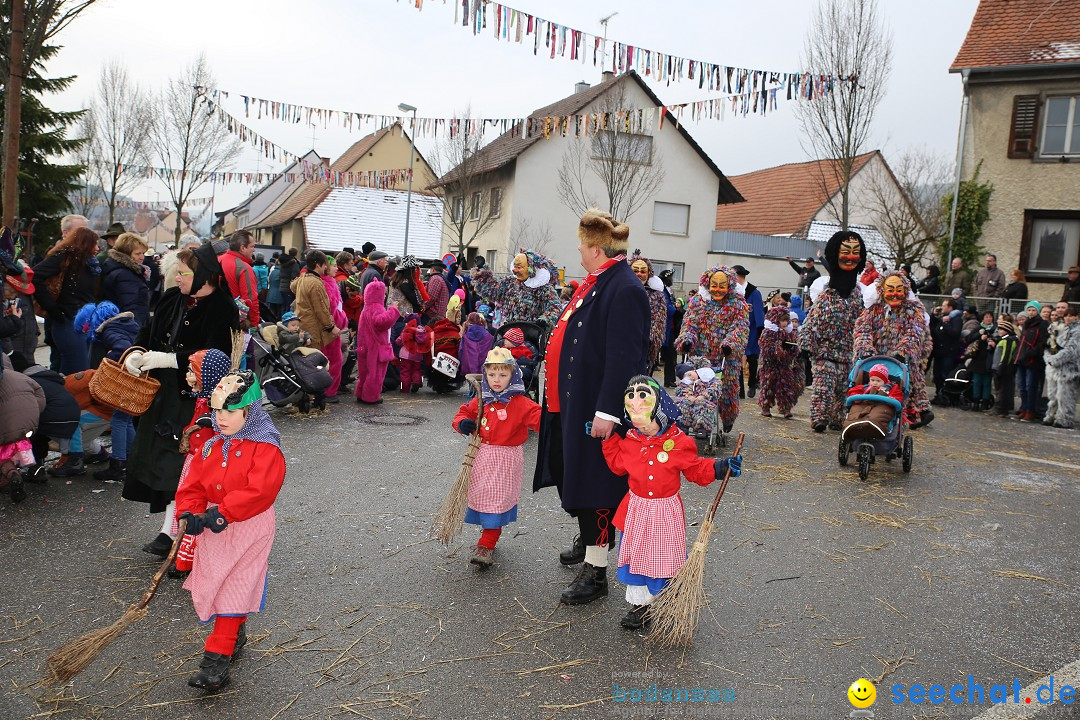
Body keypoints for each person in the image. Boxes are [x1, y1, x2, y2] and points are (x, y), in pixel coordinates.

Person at [532, 209, 650, 606]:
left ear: (597, 249)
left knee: (596, 485)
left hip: (593, 410)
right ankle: (588, 541)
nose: (579, 252)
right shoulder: (599, 281)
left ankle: (596, 570)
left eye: (582, 246)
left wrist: (607, 412)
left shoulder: (625, 289)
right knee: (573, 476)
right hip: (569, 402)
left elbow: (625, 358)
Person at [122, 243, 239, 557]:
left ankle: (177, 532)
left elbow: (219, 355)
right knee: (163, 464)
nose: (179, 280)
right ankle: (170, 529)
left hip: (196, 397)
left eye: (185, 274)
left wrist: (169, 359)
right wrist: (135, 353)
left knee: (186, 464)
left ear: (205, 275)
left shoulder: (222, 307)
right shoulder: (173, 297)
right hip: (162, 395)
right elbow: (148, 331)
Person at [602, 375, 740, 630]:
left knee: (664, 558)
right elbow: (618, 466)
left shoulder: (678, 443)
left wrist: (720, 467)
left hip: (665, 512)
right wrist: (607, 440)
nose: (642, 428)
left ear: (661, 413)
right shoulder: (631, 442)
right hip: (637, 511)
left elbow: (695, 469)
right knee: (639, 557)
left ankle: (668, 602)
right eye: (636, 422)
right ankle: (641, 607)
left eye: (648, 422)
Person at [176, 372, 285, 691]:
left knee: (234, 589)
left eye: (230, 412)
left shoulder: (265, 447)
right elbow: (193, 484)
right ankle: (235, 633)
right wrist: (192, 511)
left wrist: (222, 513)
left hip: (249, 527)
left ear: (249, 412)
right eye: (217, 410)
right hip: (214, 528)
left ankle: (215, 664)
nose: (221, 418)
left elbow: (261, 491)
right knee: (217, 583)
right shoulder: (210, 447)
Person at [451, 347, 542, 568]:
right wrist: (462, 424)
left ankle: (486, 543)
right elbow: (463, 413)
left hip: (505, 460)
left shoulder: (520, 403)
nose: (496, 380)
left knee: (496, 501)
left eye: (503, 375)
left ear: (513, 374)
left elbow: (543, 421)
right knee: (484, 497)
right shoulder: (482, 399)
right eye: (491, 375)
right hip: (482, 456)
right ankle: (489, 533)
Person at [799, 231, 868, 432]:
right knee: (823, 388)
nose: (850, 257)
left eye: (856, 252)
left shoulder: (860, 298)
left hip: (849, 355)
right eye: (845, 251)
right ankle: (820, 418)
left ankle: (838, 419)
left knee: (844, 391)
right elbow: (813, 322)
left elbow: (865, 326)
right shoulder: (826, 296)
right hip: (825, 353)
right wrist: (806, 346)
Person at [853, 271, 934, 428]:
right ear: (882, 290)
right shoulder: (873, 309)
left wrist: (903, 352)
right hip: (875, 361)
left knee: (909, 383)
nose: (895, 294)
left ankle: (910, 415)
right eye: (890, 290)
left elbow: (914, 333)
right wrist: (866, 348)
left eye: (899, 289)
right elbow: (862, 329)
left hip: (901, 361)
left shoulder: (913, 310)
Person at [675, 266, 750, 434]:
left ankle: (728, 417)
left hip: (725, 356)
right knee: (694, 389)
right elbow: (689, 324)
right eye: (714, 284)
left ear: (729, 285)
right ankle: (692, 420)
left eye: (722, 285)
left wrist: (730, 342)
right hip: (700, 356)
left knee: (727, 390)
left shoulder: (738, 304)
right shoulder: (697, 301)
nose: (717, 289)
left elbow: (740, 327)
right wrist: (687, 339)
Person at [32, 226, 101, 373]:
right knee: (77, 370)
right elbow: (35, 276)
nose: (98, 247)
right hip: (67, 322)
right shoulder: (64, 258)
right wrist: (53, 308)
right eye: (95, 243)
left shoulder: (91, 265)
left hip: (83, 322)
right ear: (85, 243)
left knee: (80, 370)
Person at [291, 250, 342, 404]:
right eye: (324, 265)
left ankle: (307, 395)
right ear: (318, 264)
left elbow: (292, 287)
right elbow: (321, 309)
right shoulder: (315, 283)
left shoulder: (302, 279)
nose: (326, 268)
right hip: (313, 328)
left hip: (302, 324)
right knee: (313, 363)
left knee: (304, 362)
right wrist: (331, 326)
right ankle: (313, 395)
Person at [471, 249, 562, 329]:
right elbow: (491, 289)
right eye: (514, 266)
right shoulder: (510, 283)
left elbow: (555, 308)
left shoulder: (544, 289)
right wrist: (482, 271)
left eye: (519, 267)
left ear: (531, 268)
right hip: (509, 334)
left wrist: (544, 320)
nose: (515, 270)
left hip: (531, 336)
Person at [355, 279, 400, 404]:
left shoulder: (365, 308)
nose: (385, 296)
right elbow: (381, 322)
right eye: (383, 293)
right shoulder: (377, 308)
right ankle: (370, 396)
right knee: (375, 373)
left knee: (364, 372)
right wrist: (393, 310)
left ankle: (361, 393)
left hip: (364, 346)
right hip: (376, 347)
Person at [757, 306, 803, 419]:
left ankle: (786, 408)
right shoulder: (768, 332)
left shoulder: (789, 333)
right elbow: (766, 348)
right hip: (770, 365)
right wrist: (778, 349)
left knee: (786, 387)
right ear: (776, 320)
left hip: (785, 365)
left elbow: (795, 347)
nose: (785, 323)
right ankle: (766, 407)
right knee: (768, 386)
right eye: (783, 320)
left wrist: (792, 350)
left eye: (787, 321)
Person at [627, 251, 668, 372]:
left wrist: (648, 339)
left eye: (643, 271)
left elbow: (658, 323)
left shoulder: (657, 296)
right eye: (635, 271)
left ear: (649, 274)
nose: (639, 274)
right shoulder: (621, 291)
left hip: (644, 348)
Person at [102, 232, 151, 331]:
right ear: (126, 254)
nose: (142, 257)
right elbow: (131, 307)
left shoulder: (121, 270)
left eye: (143, 253)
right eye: (138, 254)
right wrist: (139, 333)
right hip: (128, 329)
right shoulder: (126, 274)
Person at [842, 363, 905, 440]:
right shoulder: (864, 387)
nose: (875, 383)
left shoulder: (891, 388)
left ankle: (875, 425)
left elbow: (898, 396)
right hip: (864, 404)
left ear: (885, 381)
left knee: (880, 412)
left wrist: (892, 399)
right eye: (872, 380)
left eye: (878, 381)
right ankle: (852, 424)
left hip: (882, 405)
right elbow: (852, 392)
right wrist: (856, 396)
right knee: (856, 409)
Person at [1044, 306, 1079, 428]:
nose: (1068, 318)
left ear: (1076, 317)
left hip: (1069, 369)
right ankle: (1051, 415)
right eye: (1066, 316)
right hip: (1054, 368)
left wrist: (1056, 359)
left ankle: (1064, 419)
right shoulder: (1059, 328)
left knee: (1065, 396)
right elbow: (1050, 345)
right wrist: (1048, 358)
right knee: (1053, 395)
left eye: (1071, 315)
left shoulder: (1077, 331)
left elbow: (1072, 350)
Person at [732, 265, 763, 399]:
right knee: (737, 357)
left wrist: (760, 330)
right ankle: (740, 390)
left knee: (752, 357)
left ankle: (751, 384)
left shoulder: (753, 292)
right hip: (737, 329)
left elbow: (759, 313)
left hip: (752, 330)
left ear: (738, 277)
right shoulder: (733, 291)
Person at [1015, 301, 1048, 422]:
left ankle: (1030, 410)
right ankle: (1023, 408)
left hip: (1032, 360)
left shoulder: (1042, 324)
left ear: (1037, 311)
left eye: (1033, 310)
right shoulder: (1026, 324)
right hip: (1021, 358)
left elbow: (1041, 343)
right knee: (1021, 386)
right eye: (1029, 310)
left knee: (1030, 386)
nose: (1031, 312)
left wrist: (1030, 353)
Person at [219, 230, 261, 326]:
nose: (254, 250)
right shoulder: (244, 268)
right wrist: (254, 325)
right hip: (235, 321)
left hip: (215, 318)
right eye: (252, 246)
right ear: (243, 248)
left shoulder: (218, 260)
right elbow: (251, 300)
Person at [963, 311, 997, 411]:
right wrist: (979, 335)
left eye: (990, 317)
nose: (988, 319)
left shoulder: (995, 330)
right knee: (977, 381)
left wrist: (992, 342)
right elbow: (968, 339)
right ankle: (976, 402)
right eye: (986, 317)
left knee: (987, 383)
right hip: (977, 359)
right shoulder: (979, 329)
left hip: (989, 359)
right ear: (982, 318)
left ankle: (985, 403)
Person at [989, 316, 1019, 417]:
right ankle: (998, 407)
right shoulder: (1003, 340)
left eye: (1001, 329)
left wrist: (1001, 368)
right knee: (999, 389)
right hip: (999, 367)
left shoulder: (1008, 341)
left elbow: (1006, 356)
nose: (999, 331)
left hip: (1003, 369)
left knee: (1002, 390)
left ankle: (1001, 408)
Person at [396, 314, 430, 394]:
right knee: (416, 370)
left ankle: (404, 388)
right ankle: (416, 382)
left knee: (405, 372)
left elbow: (400, 340)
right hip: (417, 355)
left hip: (405, 355)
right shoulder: (422, 331)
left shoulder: (407, 330)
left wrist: (397, 342)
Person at [459, 312, 494, 380]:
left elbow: (461, 351)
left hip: (469, 367)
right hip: (484, 367)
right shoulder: (488, 336)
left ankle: (472, 390)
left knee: (472, 382)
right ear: (479, 320)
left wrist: (461, 363)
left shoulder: (465, 336)